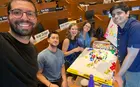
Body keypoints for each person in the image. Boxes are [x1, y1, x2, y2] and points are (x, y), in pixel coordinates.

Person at [0, 0, 38, 87]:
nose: (24, 18)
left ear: (36, 19)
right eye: (17, 12)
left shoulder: (33, 49)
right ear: (7, 18)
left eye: (30, 13)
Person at [110, 3, 140, 87]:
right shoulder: (120, 26)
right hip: (125, 66)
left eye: (119, 13)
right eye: (113, 15)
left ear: (127, 13)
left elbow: (131, 55)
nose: (115, 16)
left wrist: (118, 75)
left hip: (135, 70)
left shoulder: (136, 27)